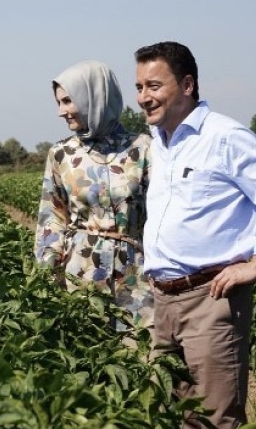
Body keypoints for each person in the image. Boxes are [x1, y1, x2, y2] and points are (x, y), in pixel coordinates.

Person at [134, 41, 256, 428]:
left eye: (154, 86)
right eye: (140, 87)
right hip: (164, 300)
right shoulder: (160, 143)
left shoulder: (223, 136)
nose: (144, 97)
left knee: (215, 419)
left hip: (210, 297)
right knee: (177, 414)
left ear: (187, 84)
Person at [35, 60, 153, 330]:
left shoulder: (143, 148)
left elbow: (163, 214)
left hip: (136, 274)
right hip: (81, 273)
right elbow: (52, 218)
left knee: (143, 354)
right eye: (58, 103)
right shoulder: (62, 154)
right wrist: (46, 273)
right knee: (89, 355)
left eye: (67, 101)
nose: (61, 112)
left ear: (94, 97)